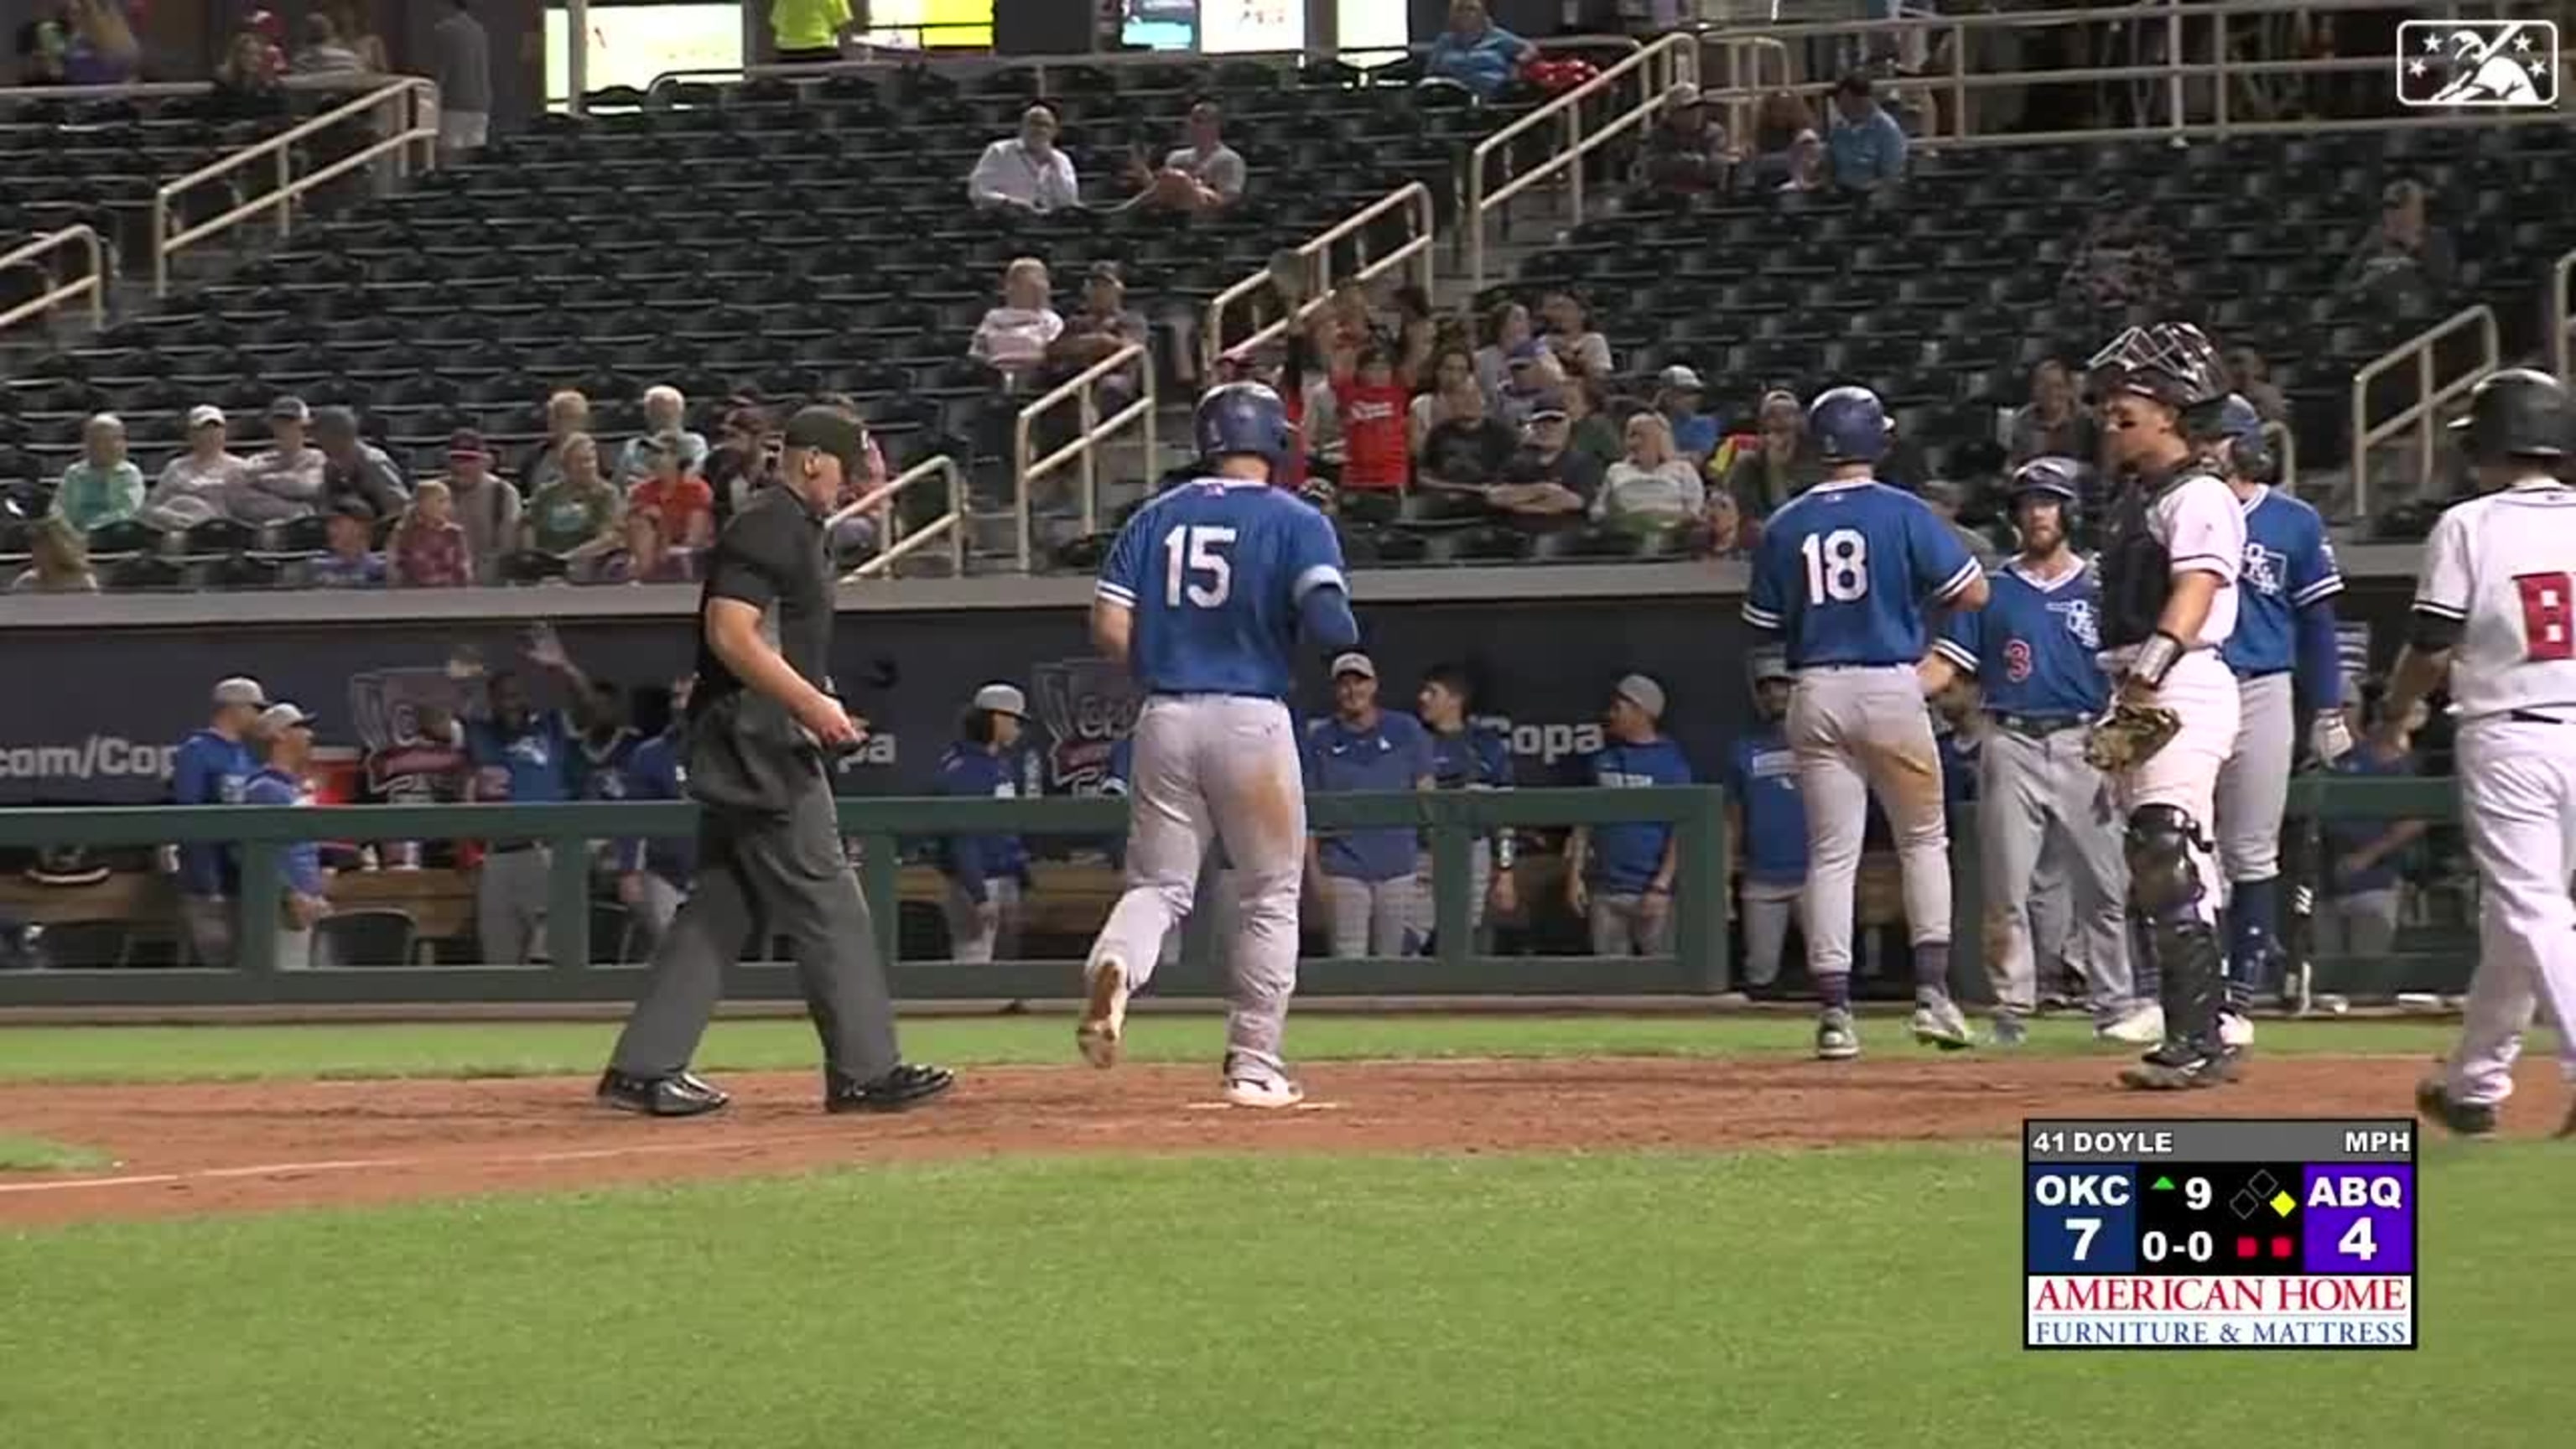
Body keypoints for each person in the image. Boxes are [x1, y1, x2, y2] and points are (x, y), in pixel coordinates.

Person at [602, 407, 955, 1118]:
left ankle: (644, 1067)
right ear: (813, 461)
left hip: (754, 730)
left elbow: (770, 641)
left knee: (724, 903)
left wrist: (816, 695)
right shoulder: (769, 522)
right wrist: (810, 707)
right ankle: (864, 1070)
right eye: (849, 470)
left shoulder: (797, 527)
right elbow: (731, 635)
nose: (855, 485)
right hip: (757, 739)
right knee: (830, 899)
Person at [1075, 383, 1359, 1109]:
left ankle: (1115, 965)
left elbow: (1108, 625)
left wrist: (1169, 664)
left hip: (1166, 714)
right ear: (1273, 440)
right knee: (1269, 894)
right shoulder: (1297, 519)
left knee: (1159, 888)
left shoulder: (1154, 516)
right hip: (1250, 719)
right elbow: (1332, 627)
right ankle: (1254, 1063)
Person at [1742, 385, 1989, 1061]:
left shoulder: (1786, 523)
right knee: (1922, 841)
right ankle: (1934, 995)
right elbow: (1974, 590)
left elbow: (1762, 628)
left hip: (1815, 687)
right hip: (1888, 681)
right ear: (1874, 441)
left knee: (1831, 852)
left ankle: (1834, 1014)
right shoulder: (1903, 512)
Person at [2390, 369, 2576, 1138]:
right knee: (2518, 914)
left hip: (2512, 731)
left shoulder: (2470, 523)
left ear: (2492, 445)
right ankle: (2474, 1082)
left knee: (2534, 908)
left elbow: (2432, 642)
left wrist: (2396, 710)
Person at [1924, 458, 2148, 1045]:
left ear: (2069, 511)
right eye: (2028, 505)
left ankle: (2114, 1005)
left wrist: (2125, 751)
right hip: (2012, 736)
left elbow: (2132, 674)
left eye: (2048, 502)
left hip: (2086, 737)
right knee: (2006, 888)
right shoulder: (1992, 589)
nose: (2038, 514)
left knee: (2103, 884)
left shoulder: (2099, 586)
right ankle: (2012, 1006)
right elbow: (1951, 666)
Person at [2082, 320, 2247, 1091]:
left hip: (2178, 682)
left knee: (2164, 847)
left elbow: (2196, 588)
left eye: (2131, 403)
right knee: (2172, 859)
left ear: (2175, 413)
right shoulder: (2133, 496)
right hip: (2139, 685)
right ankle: (2213, 1027)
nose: (2113, 412)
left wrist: (2148, 671)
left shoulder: (2200, 492)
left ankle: (2196, 1039)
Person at [2207, 394, 2346, 1046]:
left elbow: (2318, 625)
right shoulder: (2176, 513)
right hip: (2192, 683)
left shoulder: (2291, 521)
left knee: (2251, 847)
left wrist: (2327, 706)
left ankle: (2240, 988)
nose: (2202, 447)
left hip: (2264, 685)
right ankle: (2192, 984)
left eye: (2213, 437)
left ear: (2240, 445)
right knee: (2180, 844)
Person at [1303, 653, 1436, 959]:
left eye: (1359, 682)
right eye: (1344, 684)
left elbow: (1427, 796)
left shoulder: (1405, 729)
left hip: (1399, 865)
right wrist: (1314, 873)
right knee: (1349, 962)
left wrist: (1430, 861)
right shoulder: (1321, 739)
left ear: (1374, 685)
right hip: (1344, 868)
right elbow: (1308, 812)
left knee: (1395, 962)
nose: (1352, 691)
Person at [1563, 676, 1695, 957]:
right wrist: (1575, 877)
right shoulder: (1602, 760)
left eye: (1617, 707)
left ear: (1641, 710)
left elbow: (1680, 831)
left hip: (1651, 890)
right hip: (1606, 889)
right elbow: (1584, 823)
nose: (1610, 714)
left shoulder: (1671, 763)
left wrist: (1661, 886)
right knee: (1611, 983)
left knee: (1661, 981)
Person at [169, 678, 269, 969]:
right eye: (255, 708)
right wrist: (206, 881)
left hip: (240, 875)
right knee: (217, 961)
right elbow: (190, 817)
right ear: (234, 708)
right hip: (207, 879)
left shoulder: (243, 755)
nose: (259, 716)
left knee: (245, 961)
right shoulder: (197, 751)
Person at [1412, 664, 1514, 946]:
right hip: (1421, 853)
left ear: (1455, 699)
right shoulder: (1414, 741)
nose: (1422, 698)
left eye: (1432, 692)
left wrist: (1505, 871)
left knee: (1465, 939)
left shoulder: (1485, 745)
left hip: (1473, 850)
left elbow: (1506, 816)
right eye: (1423, 691)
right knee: (1407, 942)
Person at [933, 683, 1035, 966]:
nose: (1019, 729)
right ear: (997, 719)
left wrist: (1021, 878)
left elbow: (1006, 831)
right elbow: (961, 837)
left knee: (1005, 974)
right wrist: (978, 894)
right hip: (976, 883)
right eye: (1016, 721)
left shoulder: (998, 765)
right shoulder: (963, 768)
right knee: (974, 965)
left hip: (1004, 878)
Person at [1725, 652, 1807, 992]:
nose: (1774, 695)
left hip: (1815, 875)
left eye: (1782, 686)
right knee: (1759, 973)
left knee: (1830, 965)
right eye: (1766, 688)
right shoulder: (1744, 750)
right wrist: (1725, 879)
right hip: (1762, 877)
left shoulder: (1824, 742)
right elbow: (1733, 818)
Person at [242, 702, 330, 971]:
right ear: (279, 735)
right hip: (280, 909)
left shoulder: (292, 789)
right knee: (284, 994)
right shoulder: (264, 789)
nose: (310, 735)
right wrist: (289, 895)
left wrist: (316, 892)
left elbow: (303, 849)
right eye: (300, 727)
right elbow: (253, 853)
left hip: (307, 903)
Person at [615, 678, 694, 953]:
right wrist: (628, 871)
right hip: (665, 872)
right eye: (675, 697)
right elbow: (632, 818)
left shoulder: (727, 749)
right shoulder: (650, 754)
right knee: (672, 953)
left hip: (718, 870)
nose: (680, 704)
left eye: (687, 696)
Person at [143, 405, 248, 530]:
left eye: (215, 429)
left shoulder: (239, 467)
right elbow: (152, 506)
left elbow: (244, 509)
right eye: (203, 430)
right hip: (178, 524)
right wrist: (169, 516)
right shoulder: (176, 467)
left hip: (220, 528)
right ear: (190, 435)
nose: (211, 434)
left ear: (225, 433)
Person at [968, 104, 1080, 215]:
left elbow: (1069, 200)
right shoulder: (999, 151)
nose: (1039, 129)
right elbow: (978, 191)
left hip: (1050, 222)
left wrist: (1056, 167)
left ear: (1055, 132)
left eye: (1045, 125)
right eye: (1033, 123)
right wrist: (1009, 203)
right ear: (1021, 128)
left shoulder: (1062, 160)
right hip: (1006, 219)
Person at [51, 413, 143, 533]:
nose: (101, 446)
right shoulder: (73, 473)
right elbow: (59, 507)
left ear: (122, 444)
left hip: (110, 531)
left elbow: (127, 511)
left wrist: (92, 527)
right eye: (95, 440)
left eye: (108, 440)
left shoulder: (130, 474)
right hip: (73, 533)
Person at [433, 1, 491, 162]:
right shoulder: (479, 30)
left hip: (454, 102)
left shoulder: (444, 29)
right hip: (481, 103)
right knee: (474, 157)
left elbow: (443, 67)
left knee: (451, 155)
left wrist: (434, 96)